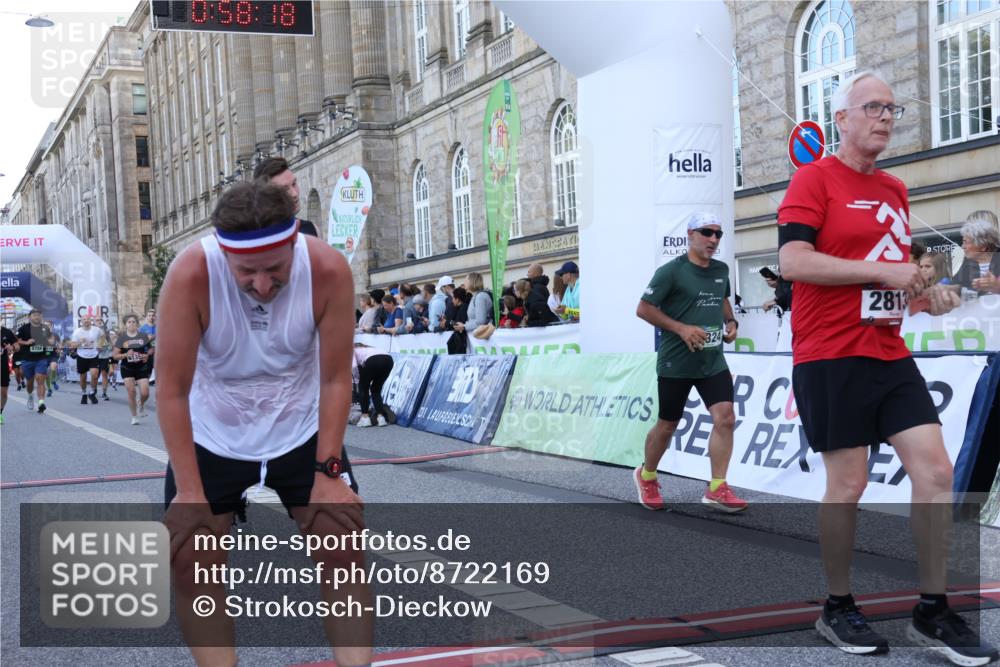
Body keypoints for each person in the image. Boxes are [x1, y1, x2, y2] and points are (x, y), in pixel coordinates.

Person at [776, 71, 993, 663]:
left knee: (937, 472)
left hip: (889, 352)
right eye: (872, 107)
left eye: (893, 109)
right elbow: (793, 262)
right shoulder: (813, 178)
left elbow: (895, 279)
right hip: (829, 353)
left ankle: (932, 609)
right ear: (840, 118)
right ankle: (837, 605)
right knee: (848, 484)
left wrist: (926, 295)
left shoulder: (896, 189)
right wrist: (884, 273)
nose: (885, 117)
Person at [156, 181, 372, 667]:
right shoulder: (191, 272)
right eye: (246, 273)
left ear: (294, 243)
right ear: (223, 256)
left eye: (275, 269)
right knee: (191, 559)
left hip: (298, 424)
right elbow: (172, 390)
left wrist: (330, 473)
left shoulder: (327, 268)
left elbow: (336, 378)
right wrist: (190, 492)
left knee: (341, 546)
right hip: (215, 429)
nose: (261, 285)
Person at [633, 212, 745, 514]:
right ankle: (647, 475)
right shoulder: (671, 272)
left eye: (718, 234)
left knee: (726, 418)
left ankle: (717, 487)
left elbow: (722, 299)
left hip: (712, 360)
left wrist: (731, 321)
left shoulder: (721, 269)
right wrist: (681, 328)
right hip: (677, 362)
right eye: (707, 233)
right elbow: (643, 309)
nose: (713, 240)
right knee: (668, 424)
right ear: (691, 235)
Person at [253, 157, 319, 237]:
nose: (294, 193)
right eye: (285, 189)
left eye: (294, 184)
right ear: (265, 196)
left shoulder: (310, 229)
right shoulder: (253, 237)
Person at [114, 314, 153, 425]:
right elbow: (115, 355)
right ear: (126, 325)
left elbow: (150, 350)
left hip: (141, 367)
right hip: (127, 368)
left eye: (133, 322)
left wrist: (146, 355)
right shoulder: (122, 338)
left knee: (145, 393)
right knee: (131, 392)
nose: (131, 324)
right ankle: (135, 416)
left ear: (137, 324)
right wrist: (126, 354)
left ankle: (141, 402)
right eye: (129, 322)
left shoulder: (143, 336)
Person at [16, 309, 53, 414]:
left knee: (40, 379)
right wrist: (27, 342)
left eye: (38, 315)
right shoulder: (24, 328)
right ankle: (30, 395)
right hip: (27, 359)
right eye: (34, 315)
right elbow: (17, 340)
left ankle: (41, 402)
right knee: (30, 383)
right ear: (30, 317)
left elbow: (51, 340)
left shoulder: (45, 328)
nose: (37, 317)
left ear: (41, 317)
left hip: (41, 358)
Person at [952, 216, 1000, 294]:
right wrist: (947, 288)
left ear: (983, 247)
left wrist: (997, 285)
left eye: (966, 242)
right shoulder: (966, 265)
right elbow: (956, 285)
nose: (962, 247)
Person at [352, 343, 395, 427]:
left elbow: (353, 367)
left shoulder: (352, 350)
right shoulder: (370, 349)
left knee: (363, 387)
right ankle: (381, 417)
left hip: (373, 360)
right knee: (376, 389)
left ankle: (365, 417)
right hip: (389, 360)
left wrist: (357, 381)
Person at [69, 316, 103, 405]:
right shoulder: (77, 332)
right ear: (81, 322)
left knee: (94, 375)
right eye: (84, 319)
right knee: (83, 378)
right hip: (82, 356)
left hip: (94, 355)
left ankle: (92, 393)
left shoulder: (97, 330)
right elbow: (72, 345)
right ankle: (84, 394)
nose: (86, 321)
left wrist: (100, 345)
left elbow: (103, 337)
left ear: (91, 321)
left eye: (88, 319)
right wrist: (80, 342)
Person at [1, 325, 18, 424]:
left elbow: (17, 347)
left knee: (3, 392)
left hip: (2, 364)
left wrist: (11, 347)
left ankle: (0, 412)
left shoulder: (7, 332)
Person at [97, 324, 115, 400]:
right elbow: (97, 350)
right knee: (95, 376)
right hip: (96, 359)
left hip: (106, 359)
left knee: (105, 375)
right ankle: (93, 390)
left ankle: (104, 392)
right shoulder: (95, 339)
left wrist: (111, 365)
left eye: (102, 330)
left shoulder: (109, 340)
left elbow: (111, 354)